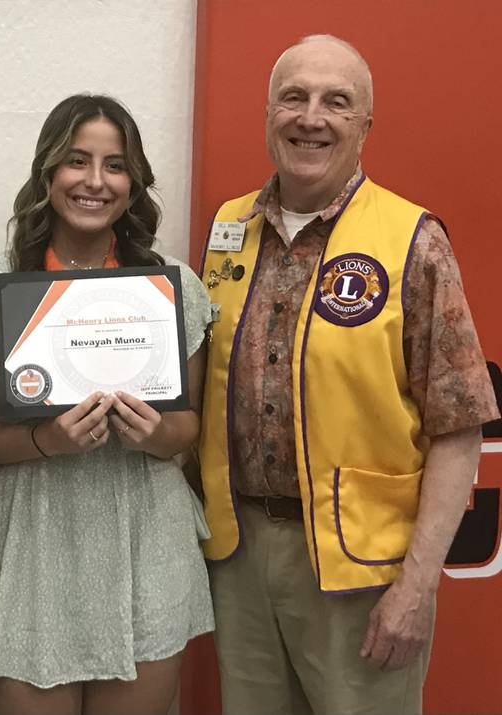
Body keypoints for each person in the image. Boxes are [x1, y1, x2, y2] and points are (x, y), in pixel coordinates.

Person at [197, 35, 499, 715]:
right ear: (268, 112)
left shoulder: (413, 239)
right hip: (241, 557)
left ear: (365, 127)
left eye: (338, 102)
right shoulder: (228, 229)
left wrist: (417, 587)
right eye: (294, 97)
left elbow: (458, 425)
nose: (312, 117)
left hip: (364, 572)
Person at [0, 94, 214, 715]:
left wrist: (154, 436)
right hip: (28, 546)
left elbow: (188, 426)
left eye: (114, 165)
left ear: (134, 181)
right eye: (76, 161)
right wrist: (46, 442)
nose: (95, 181)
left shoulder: (174, 285)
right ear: (47, 173)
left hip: (145, 538)